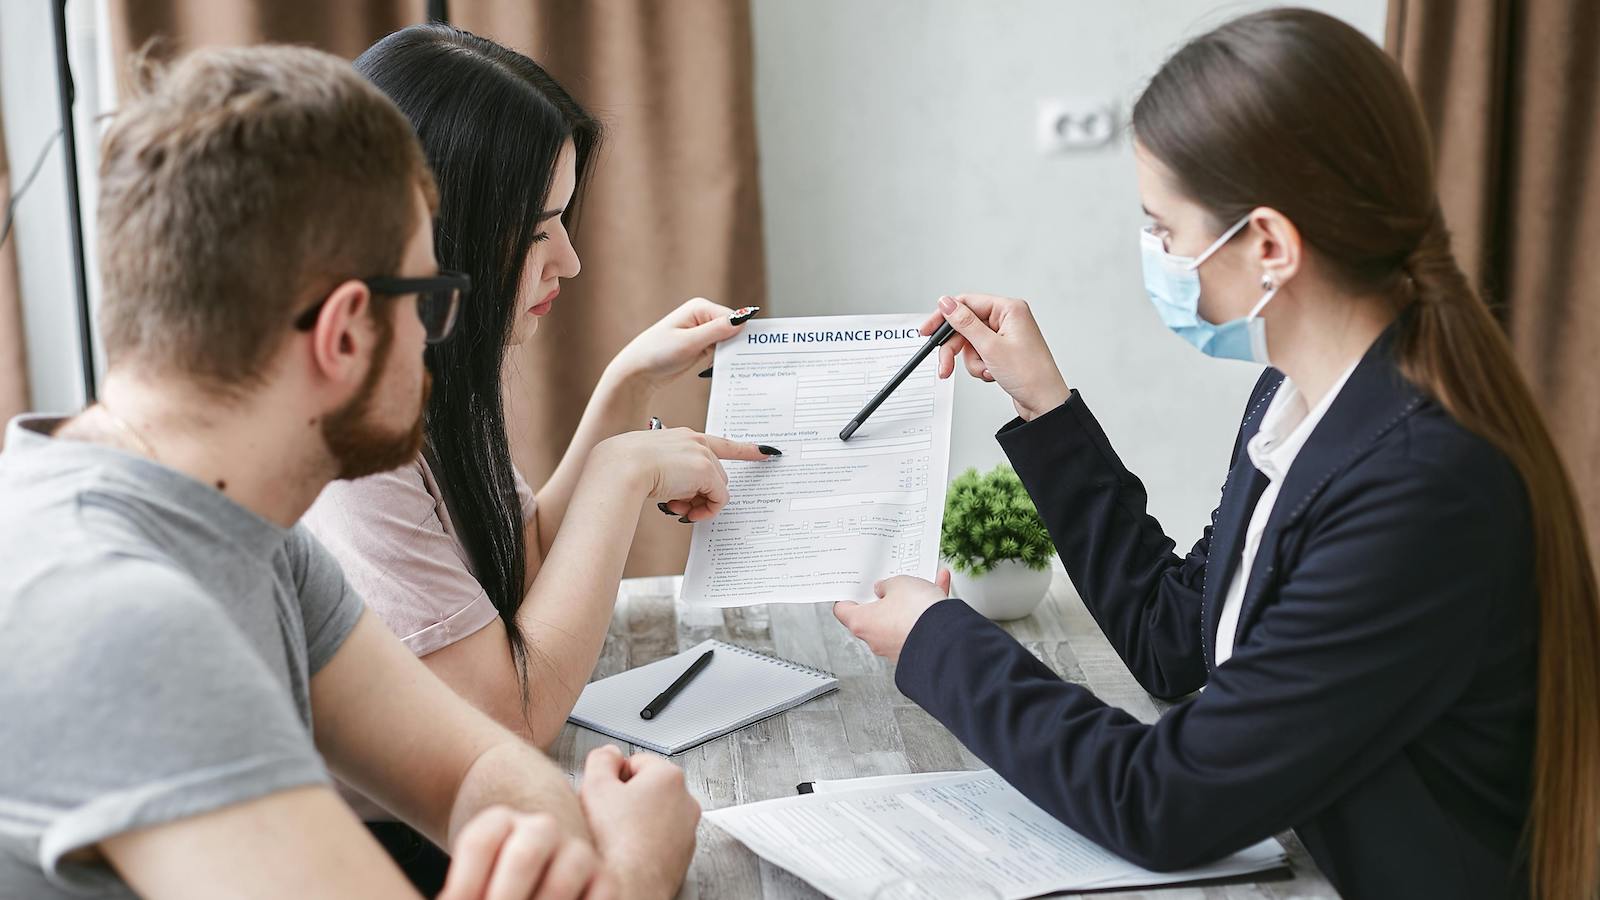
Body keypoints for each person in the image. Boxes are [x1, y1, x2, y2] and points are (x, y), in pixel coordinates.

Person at [835, 9, 1599, 900]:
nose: (1156, 255)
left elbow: (1165, 800)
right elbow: (1176, 640)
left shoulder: (1423, 486)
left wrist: (940, 642)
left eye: (1164, 229)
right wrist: (1042, 404)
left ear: (1269, 245)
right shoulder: (1299, 398)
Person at [0, 45, 701, 900]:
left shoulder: (253, 541)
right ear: (343, 334)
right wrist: (630, 874)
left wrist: (543, 843)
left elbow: (486, 762)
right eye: (431, 301)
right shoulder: (122, 619)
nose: (441, 339)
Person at [300, 24, 773, 884]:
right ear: (444, 231)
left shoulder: (432, 374)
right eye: (537, 231)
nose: (572, 261)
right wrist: (623, 474)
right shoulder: (355, 446)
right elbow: (509, 720)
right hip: (399, 850)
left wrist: (625, 388)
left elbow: (510, 577)